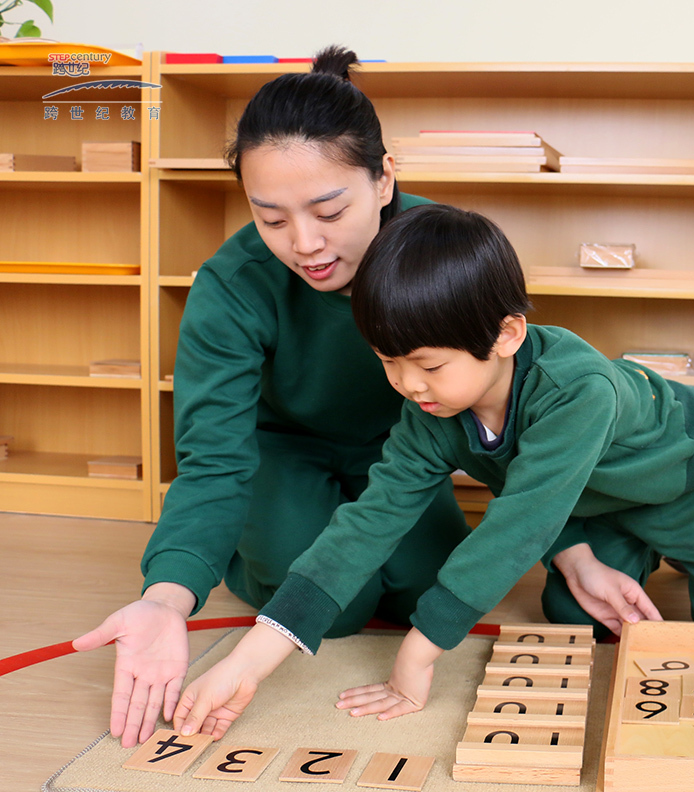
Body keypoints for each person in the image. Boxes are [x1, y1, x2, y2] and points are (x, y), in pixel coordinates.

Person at [169, 203, 694, 739]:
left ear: (507, 334)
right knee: (576, 623)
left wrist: (419, 652)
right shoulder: (432, 407)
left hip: (691, 476)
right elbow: (366, 525)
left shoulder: (579, 390)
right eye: (389, 361)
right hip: (585, 498)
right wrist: (247, 661)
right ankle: (627, 547)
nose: (409, 385)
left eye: (428, 365)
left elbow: (516, 526)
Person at [71, 48, 470, 749]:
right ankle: (254, 545)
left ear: (384, 179)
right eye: (272, 218)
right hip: (281, 453)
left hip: (408, 456)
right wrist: (167, 599)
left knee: (432, 595)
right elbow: (213, 461)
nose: (305, 244)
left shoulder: (448, 251)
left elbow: (518, 403)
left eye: (328, 209)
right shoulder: (232, 285)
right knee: (334, 612)